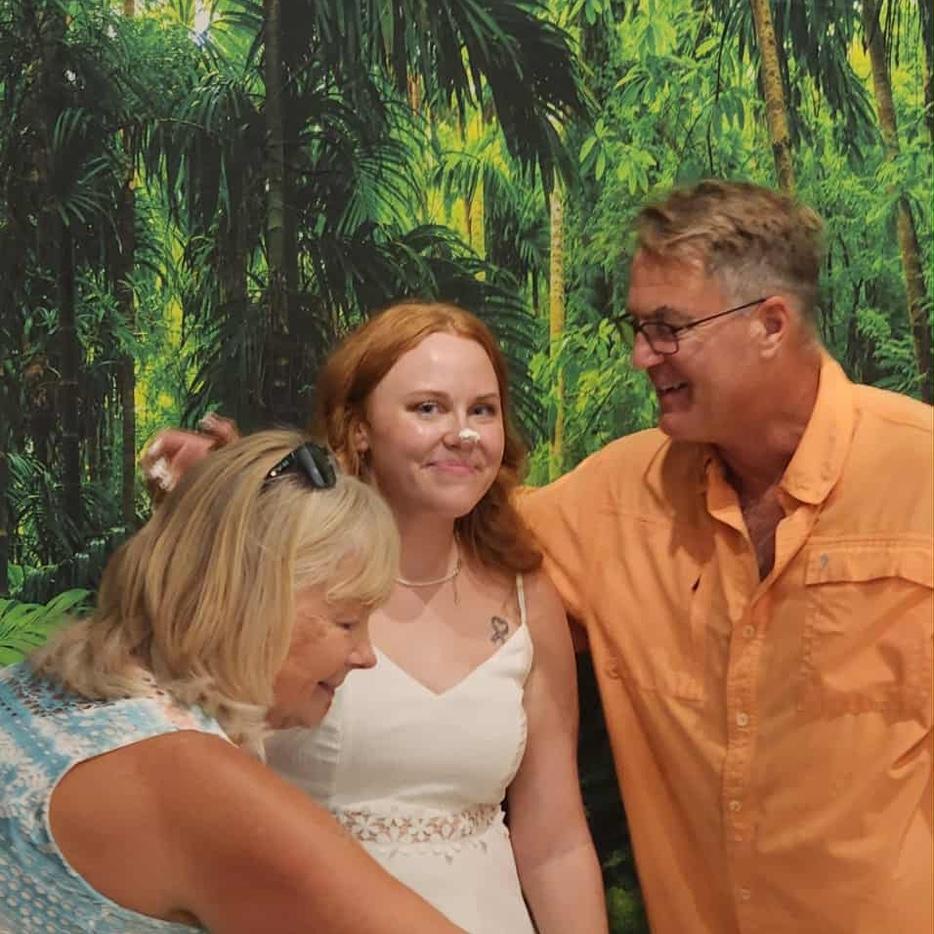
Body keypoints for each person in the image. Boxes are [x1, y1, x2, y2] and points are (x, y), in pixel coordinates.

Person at [519, 179, 933, 933]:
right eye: (637, 328)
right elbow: (456, 544)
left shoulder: (919, 472)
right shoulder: (614, 498)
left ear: (771, 324)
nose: (642, 356)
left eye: (667, 328)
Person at [145, 304, 608, 934]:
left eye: (482, 410)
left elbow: (554, 841)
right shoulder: (278, 576)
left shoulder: (529, 593)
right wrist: (218, 509)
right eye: (428, 408)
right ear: (359, 428)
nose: (463, 434)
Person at [0, 430, 459, 934]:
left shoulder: (33, 691)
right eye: (347, 621)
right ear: (248, 601)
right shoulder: (197, 786)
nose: (366, 656)